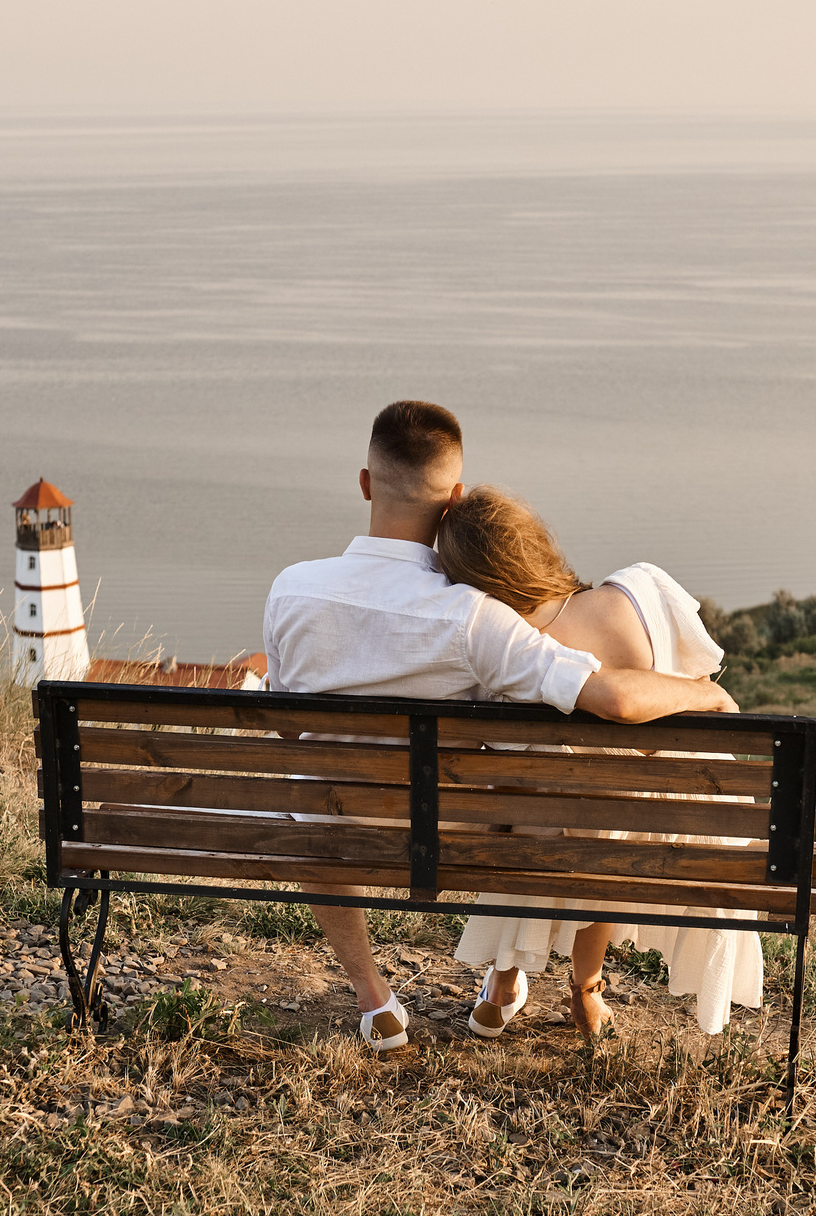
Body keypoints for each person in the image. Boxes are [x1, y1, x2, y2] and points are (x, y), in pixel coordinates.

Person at [263, 401, 736, 1054]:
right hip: (450, 840)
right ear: (454, 496)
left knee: (309, 805)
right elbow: (612, 698)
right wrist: (700, 692)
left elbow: (289, 731)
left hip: (333, 831)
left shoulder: (292, 591)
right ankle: (512, 972)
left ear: (366, 483)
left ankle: (375, 1000)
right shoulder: (476, 617)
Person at [436, 485, 764, 1041]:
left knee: (539, 815)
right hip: (630, 836)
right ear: (537, 544)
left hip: (540, 841)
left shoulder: (503, 658)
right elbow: (693, 676)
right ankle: (586, 992)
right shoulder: (636, 591)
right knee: (614, 820)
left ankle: (501, 984)